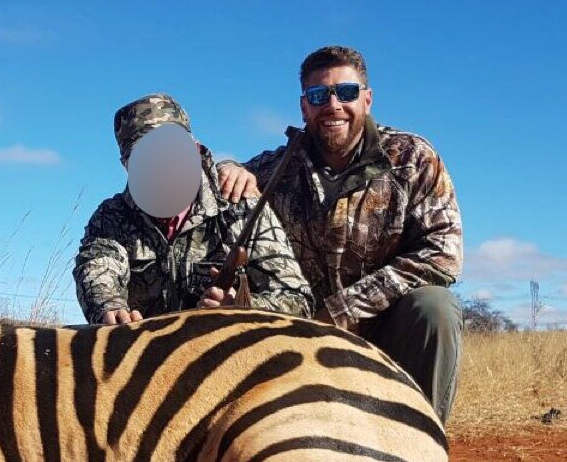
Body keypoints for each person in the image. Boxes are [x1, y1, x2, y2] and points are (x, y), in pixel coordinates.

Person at [216, 46, 463, 423]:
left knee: (436, 309)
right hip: (299, 336)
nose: (333, 105)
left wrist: (340, 311)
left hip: (383, 330)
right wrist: (229, 167)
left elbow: (443, 254)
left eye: (346, 93)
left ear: (367, 98)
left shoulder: (413, 158)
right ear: (304, 107)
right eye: (319, 96)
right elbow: (218, 185)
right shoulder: (274, 169)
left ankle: (423, 447)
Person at [74, 94, 312, 326]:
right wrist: (109, 306)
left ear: (195, 149)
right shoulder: (112, 216)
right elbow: (97, 267)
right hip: (145, 356)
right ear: (126, 165)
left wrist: (241, 307)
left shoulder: (242, 206)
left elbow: (298, 301)